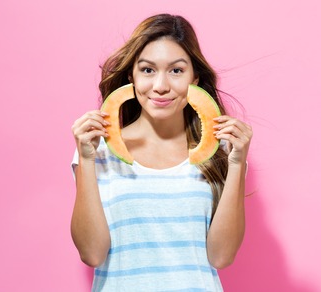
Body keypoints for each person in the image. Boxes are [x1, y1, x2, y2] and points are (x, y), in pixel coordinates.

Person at [70, 13, 253, 291]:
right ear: (131, 75)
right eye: (147, 70)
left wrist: (238, 163)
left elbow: (222, 256)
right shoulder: (97, 149)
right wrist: (85, 158)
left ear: (195, 78)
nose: (160, 86)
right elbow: (93, 254)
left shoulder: (223, 151)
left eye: (176, 71)